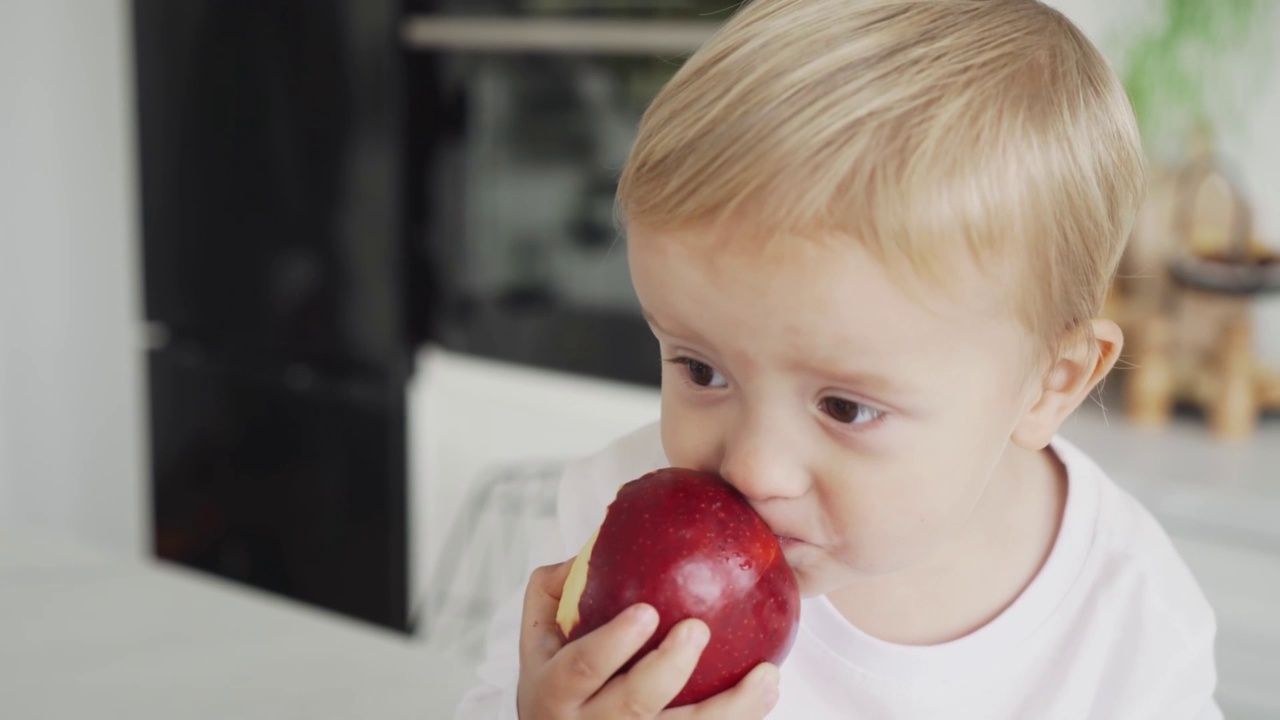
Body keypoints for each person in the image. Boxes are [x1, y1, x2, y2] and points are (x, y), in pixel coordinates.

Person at [454, 0, 1220, 717]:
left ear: (1050, 385)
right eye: (701, 370)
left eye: (845, 407)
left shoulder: (1130, 618)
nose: (753, 469)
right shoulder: (607, 515)